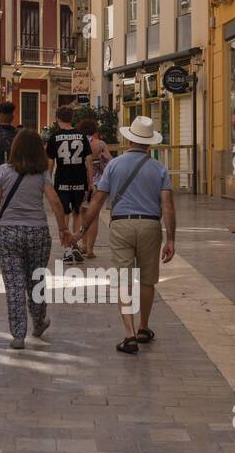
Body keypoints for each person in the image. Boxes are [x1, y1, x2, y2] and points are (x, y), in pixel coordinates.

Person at [71, 115, 176, 355]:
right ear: (149, 143)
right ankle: (143, 327)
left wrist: (81, 232)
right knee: (148, 280)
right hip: (150, 226)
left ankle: (129, 335)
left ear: (129, 140)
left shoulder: (114, 166)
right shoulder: (159, 168)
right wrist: (170, 239)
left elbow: (97, 201)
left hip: (121, 225)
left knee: (123, 279)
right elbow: (168, 205)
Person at [0, 129, 69, 350]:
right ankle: (39, 322)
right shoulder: (42, 174)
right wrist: (63, 230)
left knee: (14, 285)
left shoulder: (2, 171)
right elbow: (55, 202)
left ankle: (18, 334)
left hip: (8, 233)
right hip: (38, 233)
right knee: (36, 281)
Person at [46, 107, 93, 265]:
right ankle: (75, 244)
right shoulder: (81, 136)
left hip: (62, 180)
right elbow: (89, 160)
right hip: (79, 180)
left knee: (63, 215)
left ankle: (67, 249)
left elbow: (51, 163)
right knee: (77, 213)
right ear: (72, 118)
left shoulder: (55, 137)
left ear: (58, 118)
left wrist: (48, 183)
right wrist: (90, 181)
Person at [77, 117, 111, 260]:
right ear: (94, 130)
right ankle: (90, 249)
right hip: (98, 184)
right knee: (94, 217)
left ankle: (83, 245)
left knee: (82, 214)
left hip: (81, 182)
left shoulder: (77, 143)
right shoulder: (100, 144)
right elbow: (109, 160)